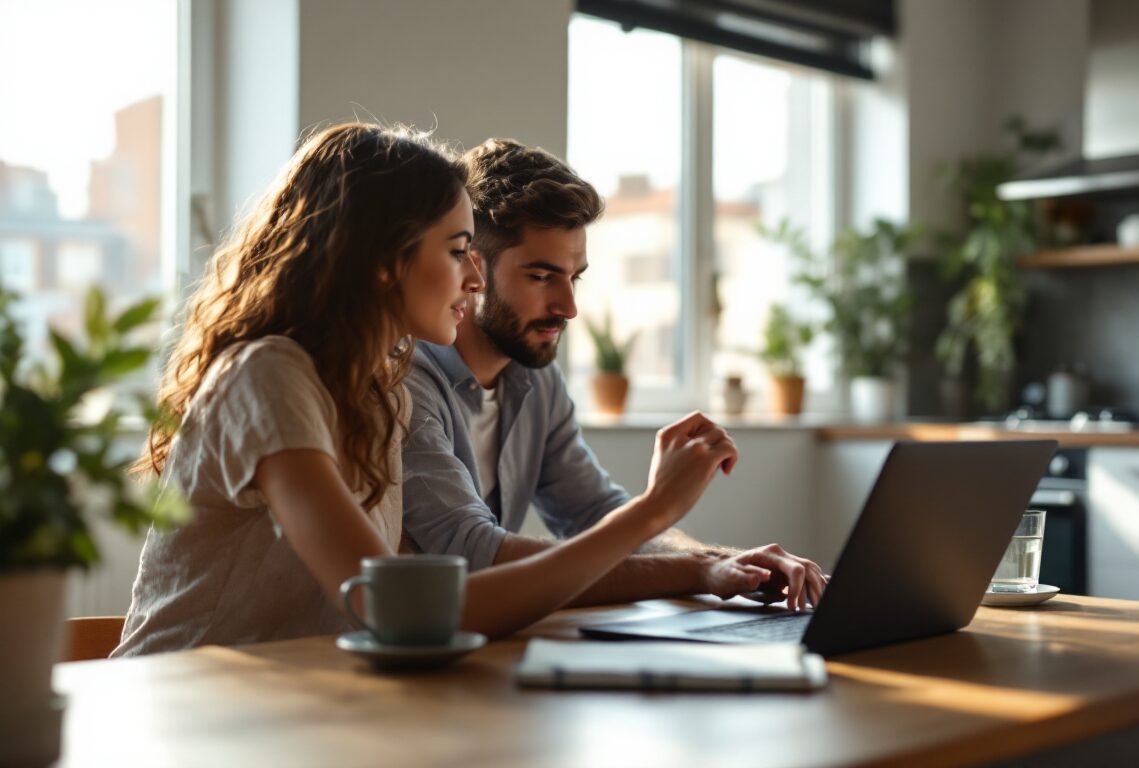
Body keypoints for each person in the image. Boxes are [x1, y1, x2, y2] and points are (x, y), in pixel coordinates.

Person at [114, 124, 738, 656]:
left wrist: (701, 563)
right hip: (182, 713)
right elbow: (397, 608)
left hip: (296, 710)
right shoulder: (269, 375)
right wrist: (654, 511)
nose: (475, 277)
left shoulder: (378, 389)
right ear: (385, 259)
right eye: (460, 250)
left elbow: (432, 599)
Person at [402, 139, 826, 612]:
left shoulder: (535, 380)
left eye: (574, 277)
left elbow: (595, 515)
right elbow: (476, 557)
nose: (568, 308)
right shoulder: (406, 381)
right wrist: (694, 564)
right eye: (541, 277)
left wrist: (725, 563)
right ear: (473, 268)